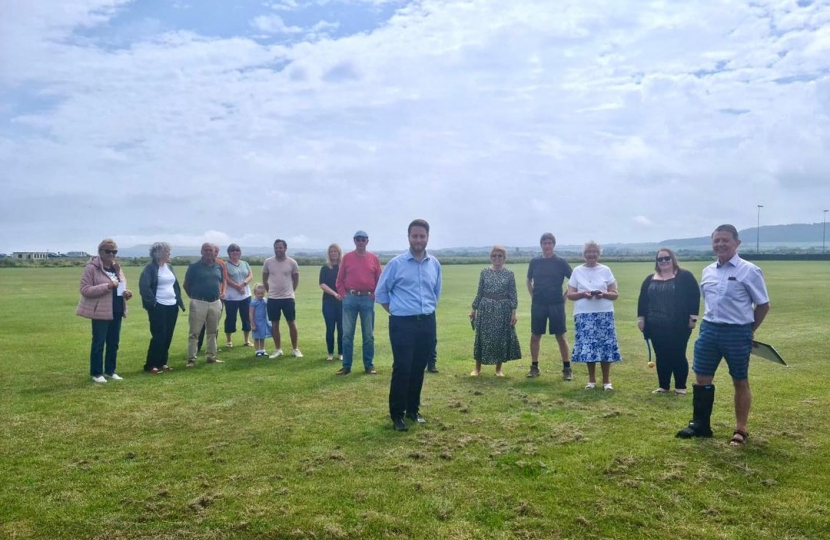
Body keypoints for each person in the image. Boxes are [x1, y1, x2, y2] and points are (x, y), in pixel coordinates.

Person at [676, 224, 770, 446]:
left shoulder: (750, 270)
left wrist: (749, 331)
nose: (720, 244)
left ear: (737, 243)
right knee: (702, 378)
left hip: (737, 332)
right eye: (716, 240)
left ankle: (741, 430)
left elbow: (763, 305)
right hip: (709, 329)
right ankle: (701, 425)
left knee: (739, 380)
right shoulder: (708, 271)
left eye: (725, 240)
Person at [375, 219, 442, 432]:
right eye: (415, 236)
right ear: (409, 238)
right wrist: (397, 312)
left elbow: (435, 293)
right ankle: (397, 414)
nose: (418, 240)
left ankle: (413, 410)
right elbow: (381, 293)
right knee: (402, 368)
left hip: (427, 322)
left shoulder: (435, 264)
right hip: (402, 323)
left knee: (418, 368)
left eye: (422, 236)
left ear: (427, 237)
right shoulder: (397, 264)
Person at [637, 248, 700, 395]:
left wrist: (693, 317)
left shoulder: (685, 276)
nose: (664, 261)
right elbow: (643, 301)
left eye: (667, 258)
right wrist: (641, 319)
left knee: (678, 354)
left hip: (679, 324)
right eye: (660, 259)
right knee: (661, 355)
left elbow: (694, 296)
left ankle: (680, 387)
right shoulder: (650, 279)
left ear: (672, 259)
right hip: (655, 325)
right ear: (657, 261)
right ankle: (664, 386)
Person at [566, 241, 622, 390]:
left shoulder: (606, 270)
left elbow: (615, 294)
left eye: (594, 252)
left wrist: (603, 294)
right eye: (589, 252)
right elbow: (570, 294)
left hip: (604, 314)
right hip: (584, 315)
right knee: (588, 347)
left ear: (598, 254)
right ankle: (591, 380)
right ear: (584, 254)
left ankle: (606, 381)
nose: (591, 254)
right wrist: (584, 294)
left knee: (605, 347)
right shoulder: (577, 271)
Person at [76, 239, 133, 383]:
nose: (111, 254)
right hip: (100, 311)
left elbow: (120, 288)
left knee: (114, 342)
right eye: (108, 251)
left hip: (117, 309)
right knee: (99, 342)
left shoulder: (117, 268)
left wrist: (126, 293)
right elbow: (85, 289)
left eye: (114, 252)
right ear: (100, 252)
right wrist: (106, 286)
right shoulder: (92, 268)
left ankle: (110, 371)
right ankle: (96, 373)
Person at [526, 233, 574, 380]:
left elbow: (574, 280)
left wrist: (565, 296)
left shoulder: (561, 262)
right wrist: (533, 295)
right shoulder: (535, 262)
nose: (547, 246)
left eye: (549, 243)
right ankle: (534, 367)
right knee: (535, 335)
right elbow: (528, 280)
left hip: (556, 304)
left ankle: (567, 368)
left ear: (553, 245)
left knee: (560, 335)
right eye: (544, 243)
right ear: (541, 245)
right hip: (539, 303)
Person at [469, 245, 521, 377]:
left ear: (504, 258)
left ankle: (498, 369)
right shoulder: (484, 272)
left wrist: (514, 312)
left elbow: (513, 295)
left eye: (500, 256)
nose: (497, 258)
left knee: (501, 338)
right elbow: (479, 292)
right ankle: (477, 368)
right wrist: (473, 309)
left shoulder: (509, 274)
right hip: (485, 308)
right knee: (481, 337)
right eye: (494, 255)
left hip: (503, 309)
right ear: (490, 257)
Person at [336, 231, 382, 375]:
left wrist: (374, 295)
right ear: (354, 241)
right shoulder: (347, 258)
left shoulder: (373, 258)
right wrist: (344, 295)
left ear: (367, 241)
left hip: (367, 299)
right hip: (350, 298)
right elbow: (339, 280)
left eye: (363, 239)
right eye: (358, 239)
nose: (360, 242)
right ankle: (346, 366)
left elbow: (379, 279)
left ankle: (369, 365)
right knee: (347, 334)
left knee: (368, 335)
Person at [138, 242, 185, 374]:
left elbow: (175, 285)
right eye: (166, 252)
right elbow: (144, 287)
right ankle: (151, 364)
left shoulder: (169, 267)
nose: (169, 254)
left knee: (168, 335)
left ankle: (162, 362)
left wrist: (177, 301)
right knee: (159, 335)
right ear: (159, 254)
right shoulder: (150, 268)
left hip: (172, 305)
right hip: (158, 306)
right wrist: (153, 303)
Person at [184, 243, 225, 367]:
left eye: (211, 250)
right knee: (194, 333)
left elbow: (221, 282)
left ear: (214, 252)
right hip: (198, 302)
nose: (208, 253)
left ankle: (211, 356)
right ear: (201, 252)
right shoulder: (194, 267)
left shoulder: (219, 266)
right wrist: (194, 297)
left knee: (213, 331)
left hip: (215, 302)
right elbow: (186, 285)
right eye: (206, 250)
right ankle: (191, 359)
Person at [262, 239, 302, 358]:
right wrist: (271, 291)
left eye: (280, 247)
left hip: (288, 298)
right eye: (276, 247)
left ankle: (295, 349)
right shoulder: (268, 262)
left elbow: (296, 280)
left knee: (292, 322)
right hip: (273, 298)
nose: (278, 249)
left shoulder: (292, 262)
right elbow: (265, 279)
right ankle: (278, 349)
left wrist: (290, 292)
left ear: (285, 248)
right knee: (275, 323)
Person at [223, 243, 253, 348]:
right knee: (231, 318)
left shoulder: (245, 263)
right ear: (229, 253)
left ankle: (246, 340)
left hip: (245, 296)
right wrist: (237, 287)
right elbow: (225, 278)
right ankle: (229, 340)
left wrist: (243, 284)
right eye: (232, 251)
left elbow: (250, 275)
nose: (235, 252)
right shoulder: (225, 265)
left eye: (237, 250)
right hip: (231, 297)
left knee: (246, 317)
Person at [319, 243, 344, 362]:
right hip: (328, 301)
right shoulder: (325, 268)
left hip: (342, 302)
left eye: (335, 251)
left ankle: (341, 352)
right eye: (331, 251)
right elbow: (322, 284)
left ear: (339, 253)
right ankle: (330, 353)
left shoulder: (343, 267)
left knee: (341, 328)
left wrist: (342, 295)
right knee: (330, 328)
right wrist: (335, 294)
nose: (333, 253)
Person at [249, 283, 272, 357]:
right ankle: (257, 350)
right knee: (256, 337)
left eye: (262, 293)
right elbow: (251, 314)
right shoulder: (253, 302)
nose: (260, 295)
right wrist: (252, 324)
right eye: (258, 294)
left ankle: (262, 350)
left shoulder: (265, 301)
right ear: (255, 293)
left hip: (263, 321)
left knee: (262, 336)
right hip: (256, 322)